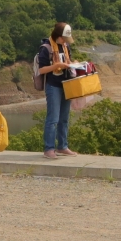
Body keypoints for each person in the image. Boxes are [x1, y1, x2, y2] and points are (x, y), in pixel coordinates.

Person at [38, 22, 78, 159]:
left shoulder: (66, 46)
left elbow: (69, 62)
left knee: (64, 119)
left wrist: (73, 64)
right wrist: (57, 65)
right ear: (58, 36)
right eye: (64, 38)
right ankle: (49, 148)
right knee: (53, 119)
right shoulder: (46, 48)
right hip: (53, 86)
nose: (65, 41)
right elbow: (41, 69)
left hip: (66, 84)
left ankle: (63, 146)